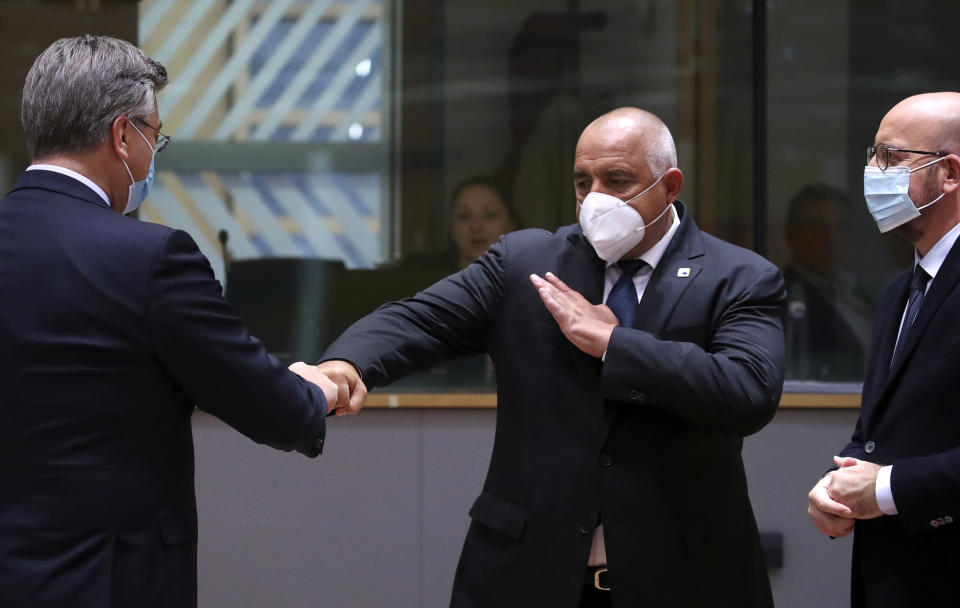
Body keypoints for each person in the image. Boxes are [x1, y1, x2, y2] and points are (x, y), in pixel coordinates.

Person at [318, 107, 786, 607]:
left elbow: (748, 391)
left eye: (617, 180)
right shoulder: (526, 262)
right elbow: (419, 319)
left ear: (669, 186)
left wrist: (615, 344)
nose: (595, 198)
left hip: (682, 577)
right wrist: (345, 365)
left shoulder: (739, 276)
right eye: (583, 182)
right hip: (528, 574)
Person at [0, 36, 355, 608]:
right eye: (153, 135)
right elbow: (267, 403)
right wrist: (311, 390)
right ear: (122, 135)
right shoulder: (148, 258)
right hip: (113, 580)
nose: (151, 154)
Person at [807, 92, 960, 607]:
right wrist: (839, 484)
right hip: (888, 579)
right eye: (872, 155)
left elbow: (890, 474)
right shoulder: (901, 290)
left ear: (951, 174)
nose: (873, 171)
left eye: (891, 157)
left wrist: (887, 489)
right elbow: (881, 435)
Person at [782, 184, 874, 381]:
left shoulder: (862, 291)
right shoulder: (782, 297)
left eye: (840, 227)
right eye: (815, 227)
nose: (829, 238)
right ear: (791, 234)